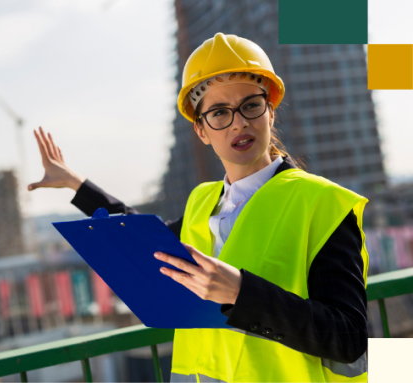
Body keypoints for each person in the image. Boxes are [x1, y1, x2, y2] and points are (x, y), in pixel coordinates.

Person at [28, 32, 368, 383]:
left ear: (270, 111)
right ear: (201, 130)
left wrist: (241, 292)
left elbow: (349, 338)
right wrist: (76, 185)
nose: (239, 122)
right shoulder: (201, 202)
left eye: (251, 105)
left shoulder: (323, 203)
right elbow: (140, 234)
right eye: (220, 113)